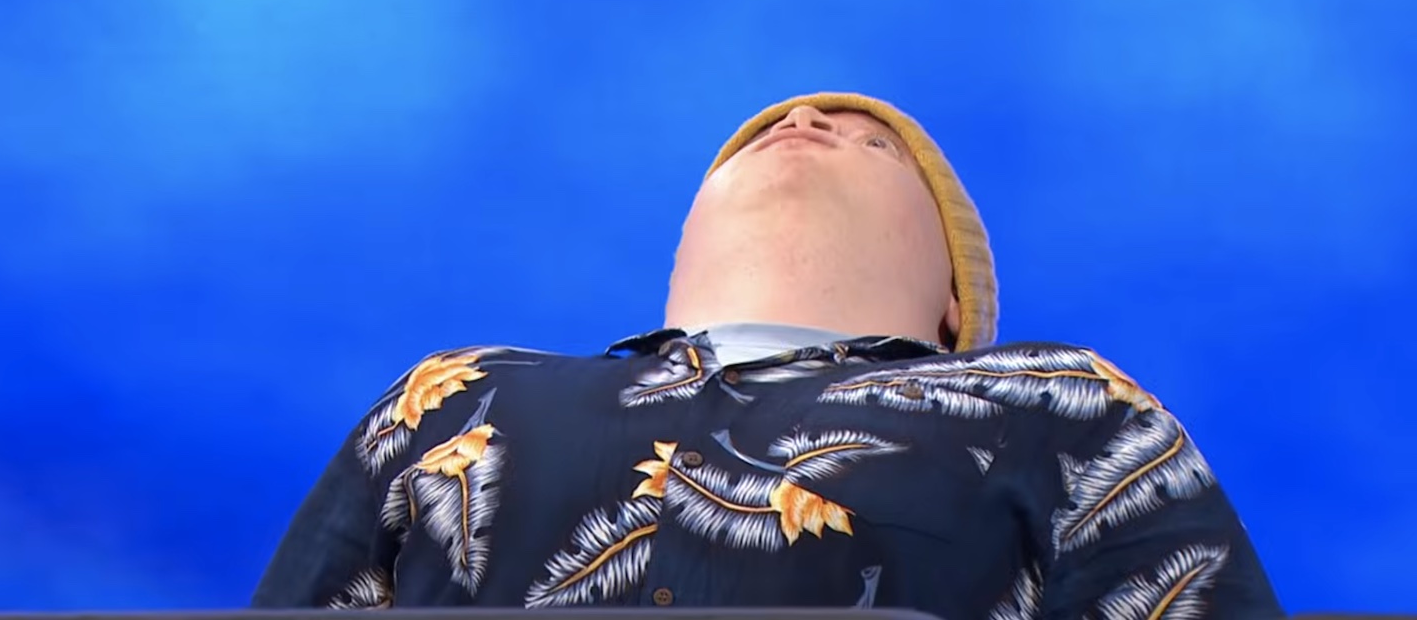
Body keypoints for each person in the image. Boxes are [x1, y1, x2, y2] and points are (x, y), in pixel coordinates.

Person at [251, 92, 1284, 619]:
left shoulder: (1062, 405)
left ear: (953, 304)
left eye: (874, 143)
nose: (801, 115)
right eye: (762, 135)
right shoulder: (451, 394)